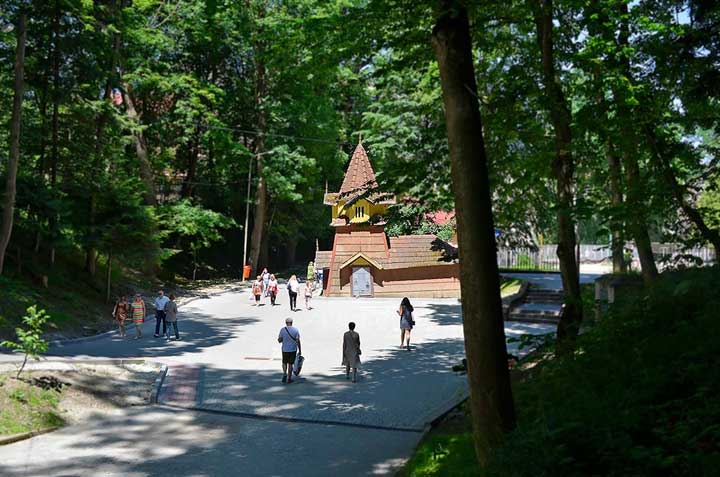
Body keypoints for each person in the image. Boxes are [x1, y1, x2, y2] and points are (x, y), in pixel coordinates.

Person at [277, 317, 301, 384]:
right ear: (292, 323)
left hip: (285, 349)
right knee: (290, 364)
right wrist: (300, 350)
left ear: (286, 323)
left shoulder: (282, 330)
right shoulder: (295, 330)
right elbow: (298, 341)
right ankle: (289, 379)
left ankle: (285, 373)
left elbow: (279, 340)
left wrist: (283, 339)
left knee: (284, 362)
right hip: (293, 349)